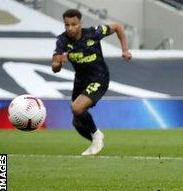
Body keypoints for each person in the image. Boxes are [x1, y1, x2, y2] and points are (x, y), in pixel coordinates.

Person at [52, 9, 132, 156]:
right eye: (67, 25)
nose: (70, 28)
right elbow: (55, 66)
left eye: (73, 24)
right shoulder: (62, 41)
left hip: (99, 78)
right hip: (80, 81)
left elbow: (117, 27)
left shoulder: (93, 32)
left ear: (80, 23)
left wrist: (125, 50)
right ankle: (95, 141)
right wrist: (58, 65)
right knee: (77, 122)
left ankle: (97, 135)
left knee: (76, 108)